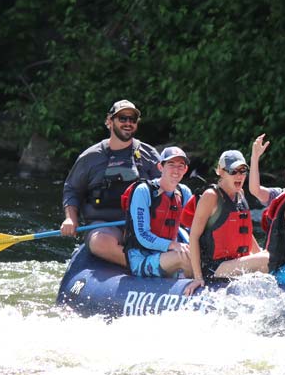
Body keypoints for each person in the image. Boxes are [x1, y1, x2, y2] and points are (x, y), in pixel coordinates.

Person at [60, 100, 160, 266]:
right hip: (105, 226)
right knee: (100, 242)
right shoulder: (89, 157)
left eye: (132, 119)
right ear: (109, 121)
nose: (128, 123)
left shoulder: (149, 154)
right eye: (122, 118)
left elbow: (166, 187)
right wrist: (70, 219)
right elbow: (72, 190)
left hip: (142, 225)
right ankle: (143, 265)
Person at [184, 150, 270, 295]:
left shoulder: (240, 194)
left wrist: (259, 253)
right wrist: (197, 278)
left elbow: (245, 232)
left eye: (243, 171)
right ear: (220, 171)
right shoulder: (211, 196)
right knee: (267, 260)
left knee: (270, 255)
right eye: (233, 171)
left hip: (235, 262)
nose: (239, 176)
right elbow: (194, 236)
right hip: (215, 268)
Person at [122, 146, 193, 277]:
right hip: (142, 258)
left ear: (186, 169)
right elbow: (143, 235)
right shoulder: (143, 191)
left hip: (168, 253)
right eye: (171, 164)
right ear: (160, 167)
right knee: (184, 257)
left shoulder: (184, 192)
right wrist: (174, 245)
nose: (176, 170)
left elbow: (194, 226)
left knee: (197, 256)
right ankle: (193, 288)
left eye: (180, 166)